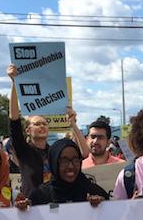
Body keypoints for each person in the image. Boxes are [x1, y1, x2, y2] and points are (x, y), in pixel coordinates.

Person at [6, 64, 90, 196]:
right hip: (33, 207)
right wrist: (14, 83)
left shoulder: (54, 151)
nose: (42, 126)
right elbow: (14, 120)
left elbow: (84, 153)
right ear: (27, 130)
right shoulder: (24, 151)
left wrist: (73, 124)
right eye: (37, 124)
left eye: (44, 124)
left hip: (56, 204)